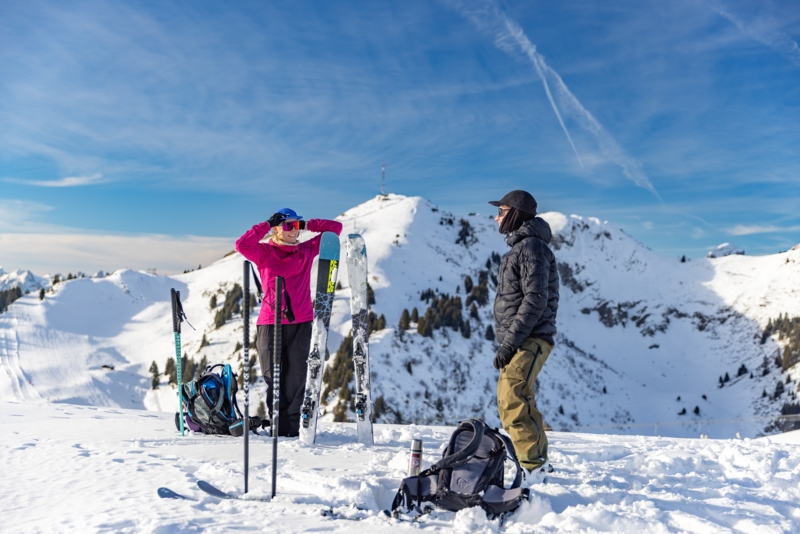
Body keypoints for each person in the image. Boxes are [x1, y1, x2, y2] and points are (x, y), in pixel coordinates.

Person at [236, 208, 342, 437]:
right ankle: (277, 427)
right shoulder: (264, 251)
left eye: (296, 226)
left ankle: (293, 430)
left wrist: (305, 225)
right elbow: (242, 245)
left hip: (302, 323)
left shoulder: (305, 249)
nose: (293, 230)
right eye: (288, 226)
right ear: (276, 229)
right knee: (273, 379)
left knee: (297, 380)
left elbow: (335, 230)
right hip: (269, 323)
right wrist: (265, 224)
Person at [489, 190, 559, 484]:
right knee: (520, 398)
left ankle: (533, 467)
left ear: (516, 213)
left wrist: (510, 343)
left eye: (502, 211)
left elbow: (535, 299)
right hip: (524, 337)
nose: (496, 217)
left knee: (512, 399)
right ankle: (538, 463)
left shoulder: (530, 247)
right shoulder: (523, 247)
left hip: (529, 337)